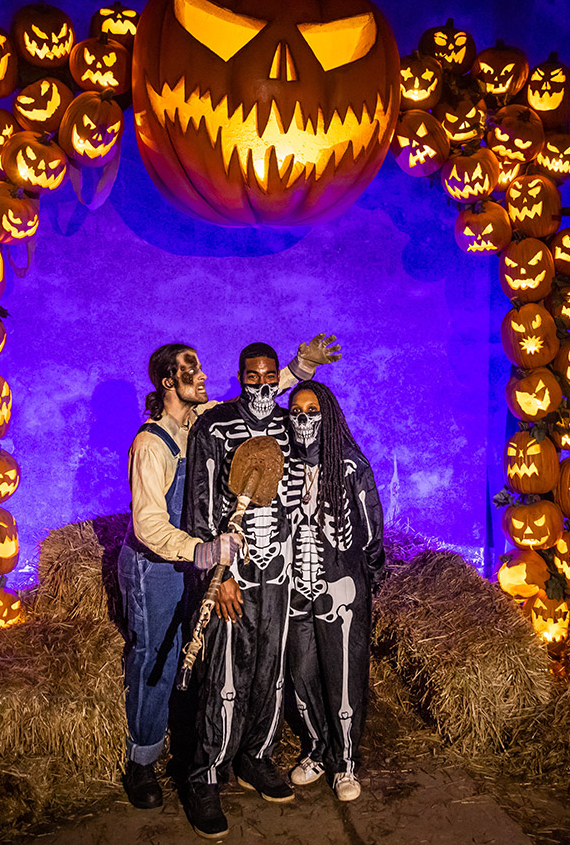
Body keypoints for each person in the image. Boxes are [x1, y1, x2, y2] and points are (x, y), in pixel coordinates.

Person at [119, 336, 339, 812]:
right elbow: (151, 523)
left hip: (210, 557)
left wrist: (300, 367)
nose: (202, 375)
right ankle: (145, 763)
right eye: (190, 369)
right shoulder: (152, 443)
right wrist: (212, 566)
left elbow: (259, 395)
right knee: (159, 657)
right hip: (158, 562)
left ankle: (251, 755)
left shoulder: (202, 419)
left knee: (236, 664)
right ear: (167, 382)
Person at [179, 342, 303, 839]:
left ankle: (257, 755)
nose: (260, 384)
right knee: (226, 669)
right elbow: (202, 503)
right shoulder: (216, 427)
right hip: (236, 572)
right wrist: (221, 575)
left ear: (277, 378)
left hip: (280, 570)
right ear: (239, 376)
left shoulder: (289, 426)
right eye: (251, 376)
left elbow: (296, 494)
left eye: (269, 376)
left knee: (271, 668)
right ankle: (205, 776)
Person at [283, 380, 384, 802]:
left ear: (329, 415)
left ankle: (346, 763)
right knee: (301, 674)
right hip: (293, 589)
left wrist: (371, 578)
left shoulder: (350, 466)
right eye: (297, 411)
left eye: (312, 410)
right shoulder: (281, 463)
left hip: (340, 586)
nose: (304, 419)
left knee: (344, 679)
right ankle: (319, 750)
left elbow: (373, 530)